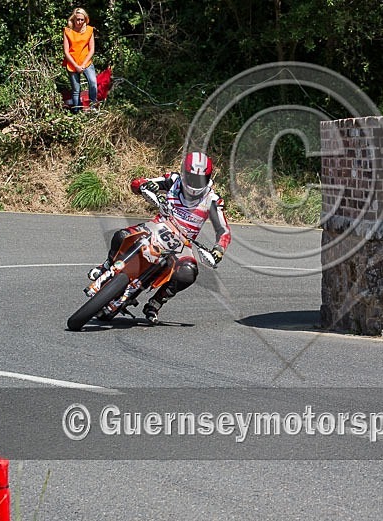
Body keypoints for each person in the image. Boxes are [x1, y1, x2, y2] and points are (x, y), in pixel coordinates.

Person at [89, 152, 231, 323]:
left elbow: (223, 231)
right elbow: (137, 184)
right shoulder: (173, 181)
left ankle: (156, 303)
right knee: (121, 236)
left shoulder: (213, 200)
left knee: (188, 272)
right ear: (184, 173)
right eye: (192, 178)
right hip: (156, 226)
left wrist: (218, 250)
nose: (195, 184)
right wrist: (145, 186)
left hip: (183, 242)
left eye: (200, 179)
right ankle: (107, 266)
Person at [63, 8, 97, 113]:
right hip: (72, 64)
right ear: (73, 19)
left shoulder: (89, 30)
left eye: (82, 20)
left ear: (85, 19)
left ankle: (93, 107)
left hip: (86, 62)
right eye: (77, 19)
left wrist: (83, 64)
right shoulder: (68, 31)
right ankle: (76, 112)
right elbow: (66, 51)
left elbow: (92, 49)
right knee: (76, 90)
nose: (79, 22)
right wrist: (76, 66)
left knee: (93, 83)